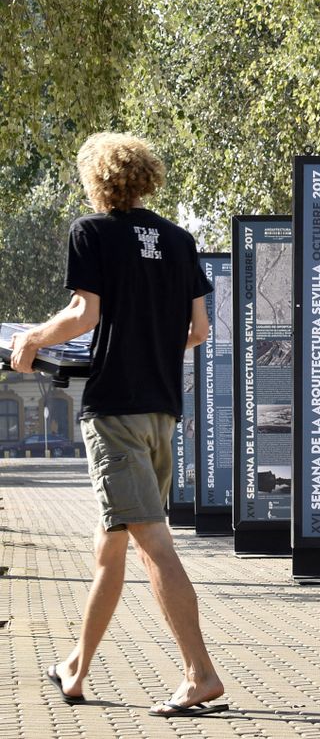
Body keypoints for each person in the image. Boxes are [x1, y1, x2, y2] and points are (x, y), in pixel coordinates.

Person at [8, 133, 226, 718]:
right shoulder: (180, 241)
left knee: (153, 544)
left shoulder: (91, 232)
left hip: (116, 412)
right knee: (113, 548)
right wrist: (151, 344)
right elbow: (199, 331)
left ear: (97, 180)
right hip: (161, 411)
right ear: (146, 176)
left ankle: (200, 674)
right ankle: (77, 668)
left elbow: (85, 313)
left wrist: (30, 338)